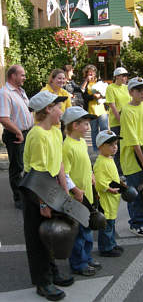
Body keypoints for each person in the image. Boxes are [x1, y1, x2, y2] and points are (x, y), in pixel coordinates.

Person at [22, 91, 74, 301]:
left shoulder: (54, 131)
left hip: (50, 184)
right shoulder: (37, 135)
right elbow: (37, 174)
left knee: (50, 233)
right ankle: (43, 282)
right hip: (36, 189)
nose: (61, 111)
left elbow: (59, 162)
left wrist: (65, 189)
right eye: (58, 107)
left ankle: (52, 272)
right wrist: (43, 202)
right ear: (47, 110)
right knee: (37, 237)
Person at [61, 106, 102, 277]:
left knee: (87, 229)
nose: (88, 127)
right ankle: (78, 263)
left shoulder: (82, 142)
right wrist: (75, 190)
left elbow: (85, 162)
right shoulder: (67, 146)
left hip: (87, 194)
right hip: (77, 197)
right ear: (74, 125)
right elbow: (65, 173)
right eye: (85, 124)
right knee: (79, 233)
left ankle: (86, 258)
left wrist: (91, 174)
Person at [120, 77, 143, 237]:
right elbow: (133, 140)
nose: (142, 93)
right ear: (131, 92)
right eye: (139, 90)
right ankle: (136, 223)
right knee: (136, 193)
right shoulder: (126, 111)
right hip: (133, 158)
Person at [0, 65, 34, 209]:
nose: (24, 78)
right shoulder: (5, 93)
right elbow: (3, 118)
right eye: (22, 75)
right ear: (13, 76)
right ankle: (18, 198)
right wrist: (18, 132)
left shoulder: (20, 91)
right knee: (17, 167)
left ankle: (27, 195)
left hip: (26, 133)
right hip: (15, 134)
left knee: (27, 164)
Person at [94, 130, 124, 257]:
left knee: (111, 223)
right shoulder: (100, 162)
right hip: (106, 199)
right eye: (111, 145)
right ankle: (106, 248)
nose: (115, 147)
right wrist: (108, 188)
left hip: (113, 199)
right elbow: (99, 182)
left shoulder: (109, 159)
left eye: (116, 144)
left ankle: (111, 243)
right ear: (101, 147)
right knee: (106, 225)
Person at [106, 67, 130, 175]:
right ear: (117, 76)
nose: (125, 78)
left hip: (128, 120)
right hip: (117, 122)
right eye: (123, 76)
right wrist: (121, 121)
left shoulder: (126, 88)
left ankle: (126, 168)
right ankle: (117, 172)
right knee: (117, 148)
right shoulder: (111, 88)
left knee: (127, 145)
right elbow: (112, 106)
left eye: (126, 76)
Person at [81, 64, 108, 151]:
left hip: (101, 108)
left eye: (93, 72)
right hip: (91, 109)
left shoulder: (99, 81)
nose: (91, 74)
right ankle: (96, 149)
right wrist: (93, 96)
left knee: (104, 128)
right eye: (90, 73)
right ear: (86, 73)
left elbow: (106, 91)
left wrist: (100, 96)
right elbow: (83, 95)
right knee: (94, 130)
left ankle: (105, 146)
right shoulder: (85, 83)